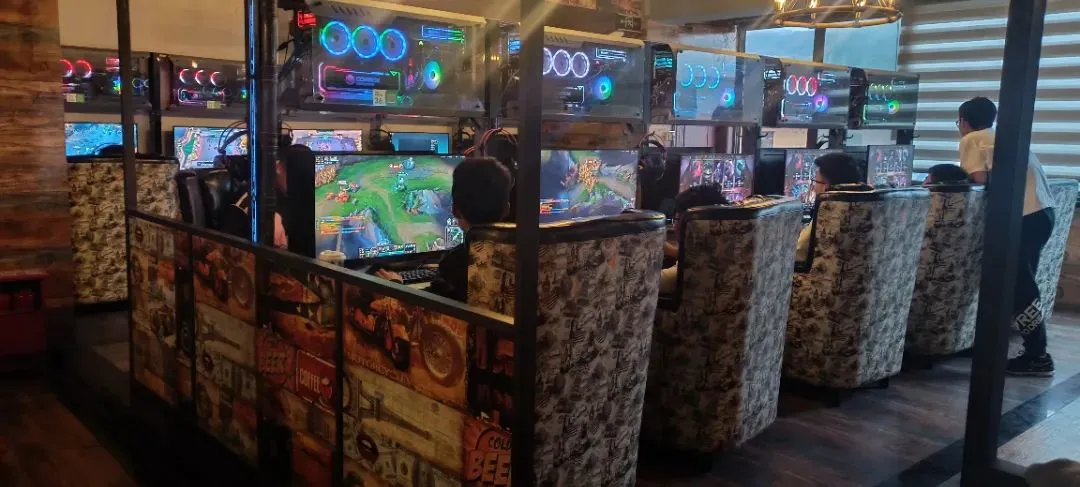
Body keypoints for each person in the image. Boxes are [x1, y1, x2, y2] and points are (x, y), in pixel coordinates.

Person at [956, 96, 1056, 376]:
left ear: (964, 121)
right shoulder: (1003, 137)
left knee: (1020, 285)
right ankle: (1000, 344)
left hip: (1024, 215)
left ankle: (1038, 356)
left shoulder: (972, 138)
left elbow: (979, 179)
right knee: (1018, 283)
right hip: (1043, 212)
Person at [375, 157, 512, 302]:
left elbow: (426, 309)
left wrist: (395, 286)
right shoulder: (524, 256)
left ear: (455, 210)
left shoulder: (455, 263)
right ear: (507, 209)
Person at [795, 153, 865, 262]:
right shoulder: (869, 207)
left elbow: (799, 252)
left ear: (826, 186)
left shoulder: (828, 210)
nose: (813, 187)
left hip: (819, 272)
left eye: (815, 182)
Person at [659, 184, 729, 294]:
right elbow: (697, 256)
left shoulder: (688, 271)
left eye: (676, 219)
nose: (674, 226)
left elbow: (649, 283)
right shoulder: (725, 249)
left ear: (693, 223)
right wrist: (671, 251)